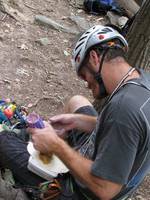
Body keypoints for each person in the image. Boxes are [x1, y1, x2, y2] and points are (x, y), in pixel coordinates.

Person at [0, 25, 150, 200]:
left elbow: (105, 190)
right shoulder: (141, 81)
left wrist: (57, 145)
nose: (87, 84)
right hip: (105, 158)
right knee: (77, 101)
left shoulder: (123, 108)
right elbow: (127, 132)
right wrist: (77, 121)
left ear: (94, 58)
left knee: (3, 139)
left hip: (82, 192)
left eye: (84, 76)